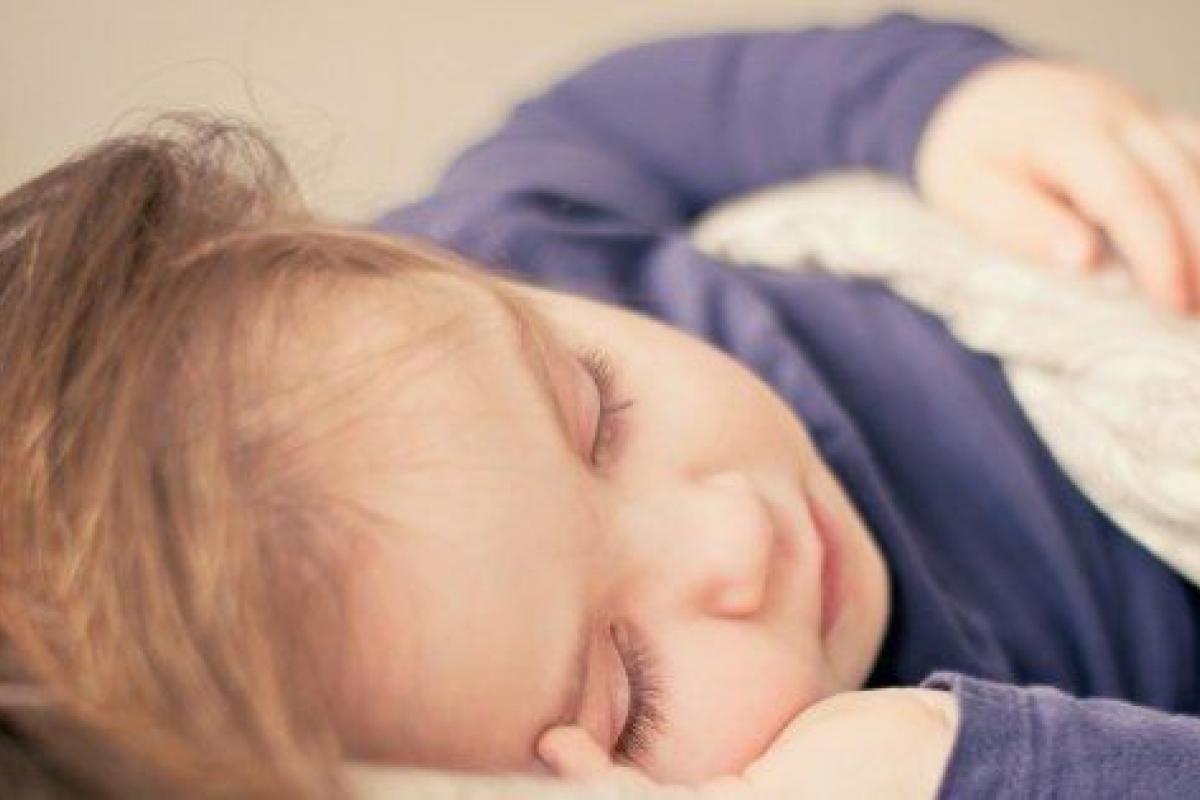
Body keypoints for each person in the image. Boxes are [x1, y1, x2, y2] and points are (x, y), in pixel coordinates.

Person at [1, 10, 1199, 798]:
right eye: (629, 695)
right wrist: (985, 769)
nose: (737, 536)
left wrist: (937, 105)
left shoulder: (511, 256)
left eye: (599, 413)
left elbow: (631, 112)